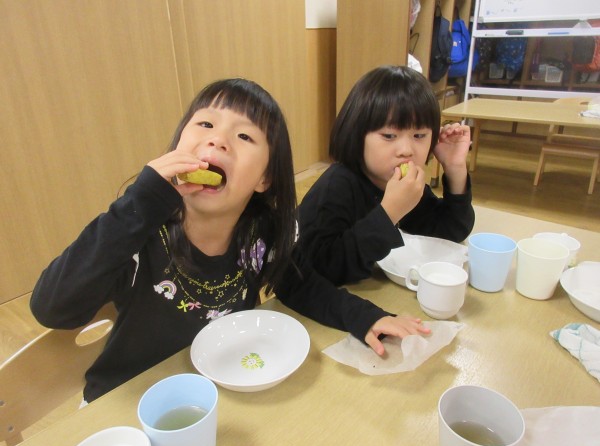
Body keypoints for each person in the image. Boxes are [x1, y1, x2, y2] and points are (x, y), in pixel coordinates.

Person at [30, 78, 430, 403]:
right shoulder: (139, 233)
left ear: (265, 178)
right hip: (127, 404)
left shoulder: (261, 237)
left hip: (217, 394)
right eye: (205, 125)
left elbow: (302, 285)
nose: (218, 140)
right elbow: (52, 308)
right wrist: (140, 202)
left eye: (244, 136)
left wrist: (364, 317)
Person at [297, 65, 475, 286]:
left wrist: (455, 168)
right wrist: (389, 212)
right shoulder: (336, 188)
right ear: (357, 134)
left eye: (419, 135)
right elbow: (319, 268)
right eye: (389, 136)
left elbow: (450, 233)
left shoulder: (402, 184)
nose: (406, 150)